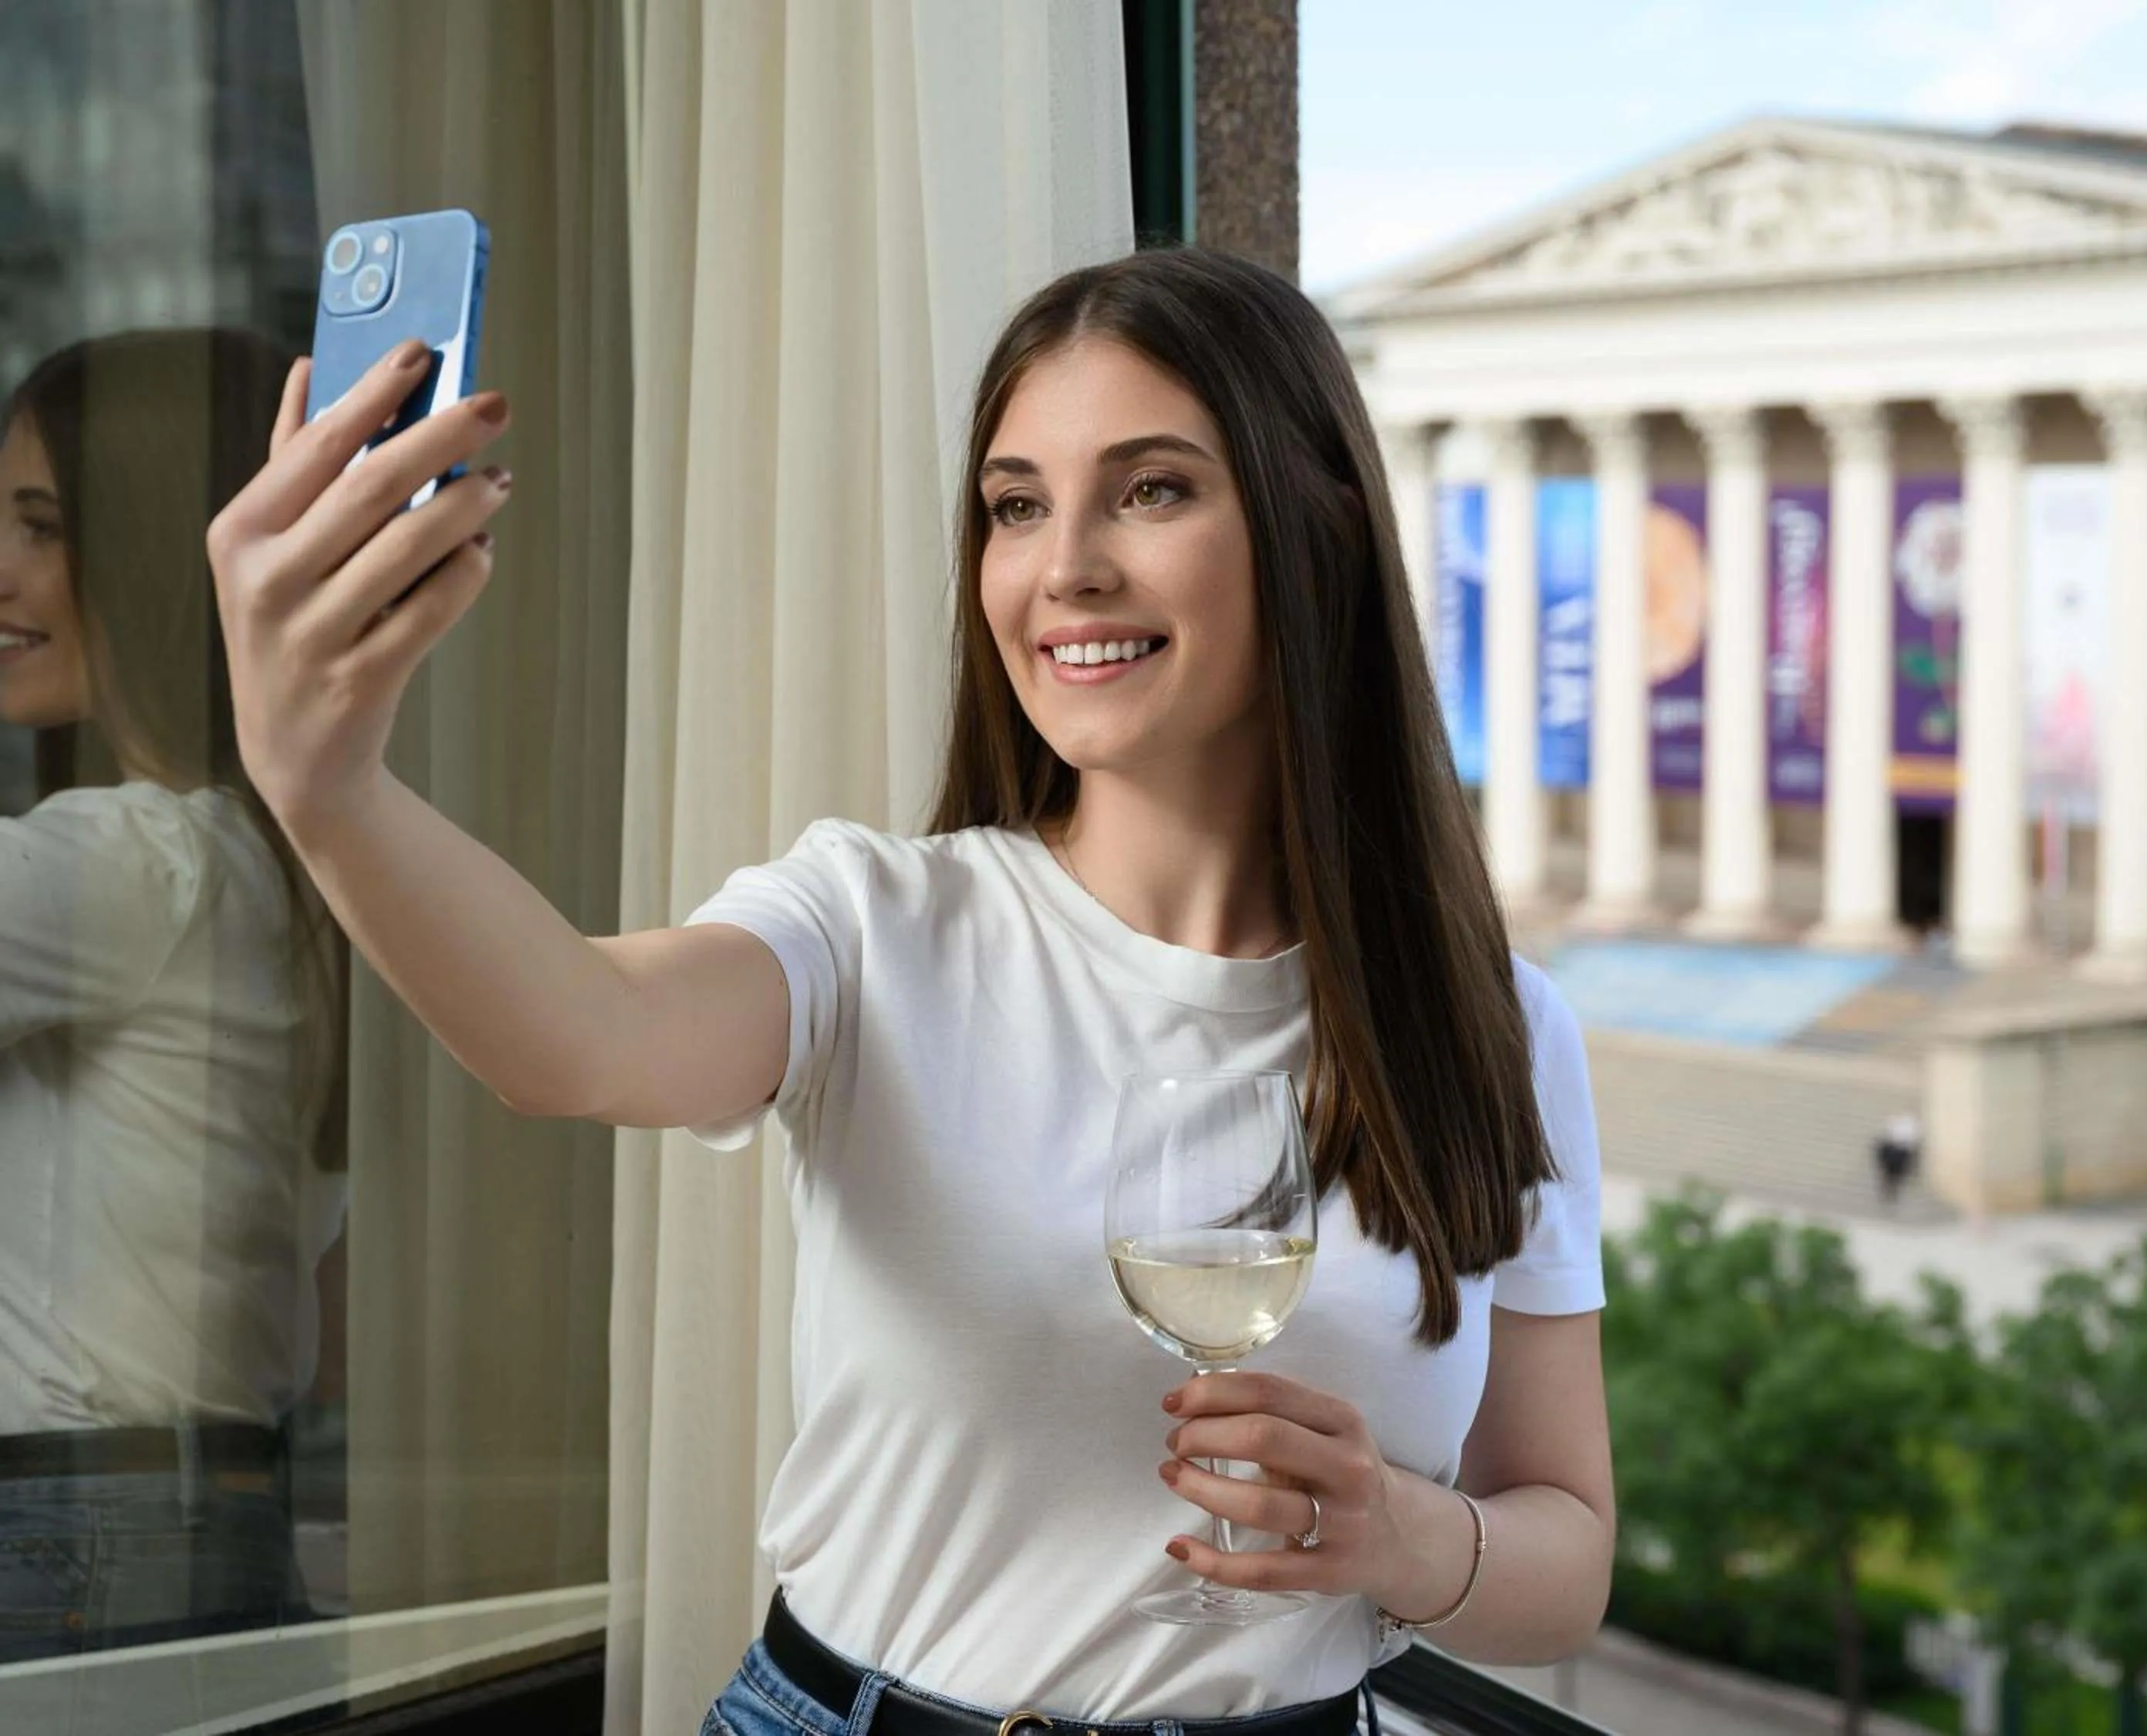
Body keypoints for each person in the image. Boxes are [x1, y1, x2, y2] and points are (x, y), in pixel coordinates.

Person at [205, 248, 1613, 1735]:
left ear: (1316, 519)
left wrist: (1404, 1535)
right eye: (1016, 505)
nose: (1064, 563)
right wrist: (330, 792)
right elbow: (575, 1041)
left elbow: (1566, 1545)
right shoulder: (874, 924)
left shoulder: (1497, 1029)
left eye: (1151, 489)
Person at [0, 328, 346, 1661]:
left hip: (80, 1527)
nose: (4, 570)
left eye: (43, 524)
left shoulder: (141, 861)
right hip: (190, 1514)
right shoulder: (270, 861)